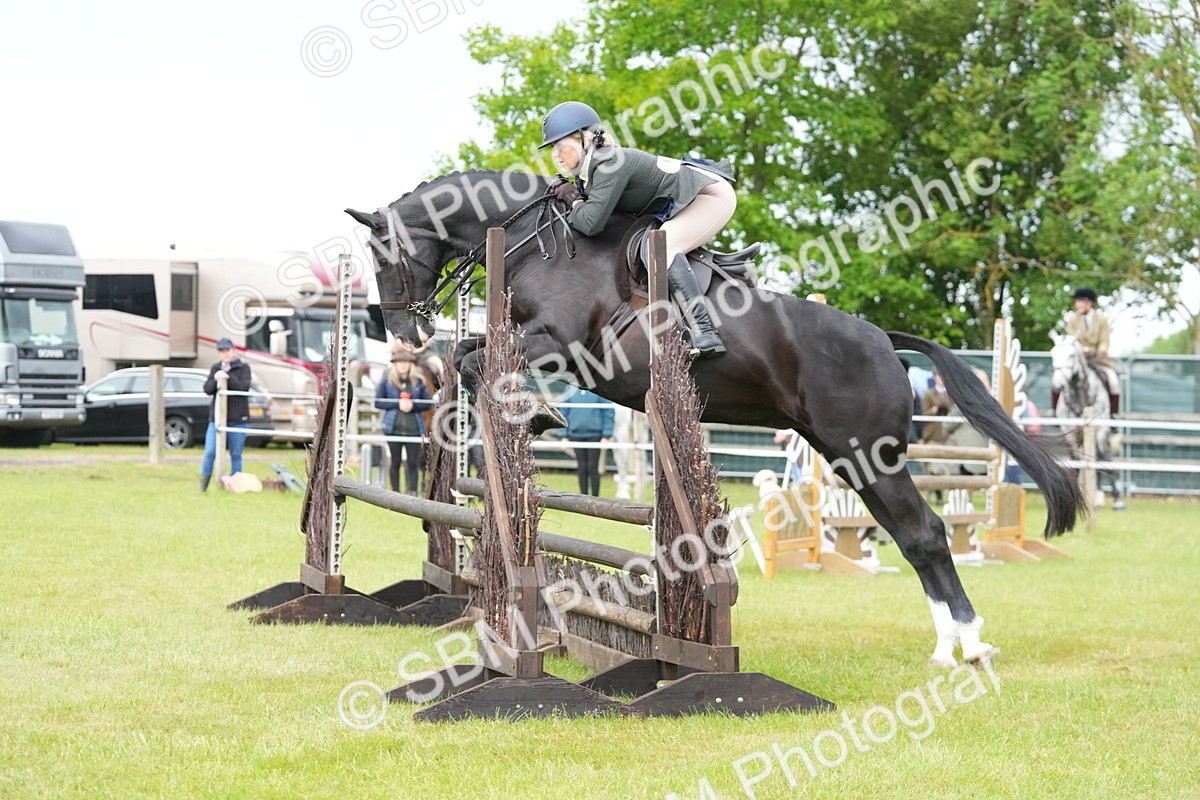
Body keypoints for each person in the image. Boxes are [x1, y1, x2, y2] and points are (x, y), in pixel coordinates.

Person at [541, 100, 734, 359]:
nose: (556, 155)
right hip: (682, 201)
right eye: (552, 148)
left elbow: (590, 223)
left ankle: (705, 333)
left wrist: (573, 199)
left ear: (584, 139)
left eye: (561, 145)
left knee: (663, 247)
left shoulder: (609, 163)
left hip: (710, 196)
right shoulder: (589, 171)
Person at [374, 351, 432, 494]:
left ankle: (412, 491)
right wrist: (397, 404)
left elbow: (428, 403)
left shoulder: (419, 382)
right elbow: (378, 402)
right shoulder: (387, 381)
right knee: (395, 461)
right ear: (395, 364)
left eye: (406, 362)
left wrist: (413, 406)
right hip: (393, 428)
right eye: (400, 362)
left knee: (413, 462)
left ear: (411, 364)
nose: (403, 365)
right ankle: (394, 492)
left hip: (414, 428)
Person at [200, 338, 252, 492]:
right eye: (222, 351)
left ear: (233, 350)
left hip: (238, 419)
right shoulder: (215, 368)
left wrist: (229, 377)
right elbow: (207, 389)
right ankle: (203, 487)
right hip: (216, 420)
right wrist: (216, 379)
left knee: (236, 454)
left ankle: (235, 487)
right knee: (209, 452)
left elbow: (244, 388)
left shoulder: (243, 367)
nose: (225, 354)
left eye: (227, 350)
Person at [1064, 286, 1120, 415]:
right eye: (1076, 301)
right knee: (1058, 380)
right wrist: (1083, 349)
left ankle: (1114, 414)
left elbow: (1105, 341)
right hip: (1079, 360)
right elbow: (1072, 339)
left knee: (1113, 382)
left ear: (1088, 302)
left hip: (1098, 360)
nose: (1076, 304)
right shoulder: (1072, 320)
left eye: (1079, 301)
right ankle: (1055, 410)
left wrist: (1101, 351)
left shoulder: (1101, 320)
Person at [560, 385, 615, 496]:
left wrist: (606, 436)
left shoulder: (599, 390)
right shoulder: (569, 389)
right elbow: (563, 413)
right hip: (575, 435)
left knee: (592, 467)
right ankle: (583, 497)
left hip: (595, 435)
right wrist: (563, 436)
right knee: (582, 467)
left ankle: (595, 498)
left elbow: (608, 412)